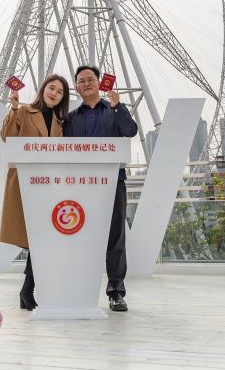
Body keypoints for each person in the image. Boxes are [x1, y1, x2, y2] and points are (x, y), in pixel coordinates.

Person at [62, 64, 137, 312]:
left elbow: (130, 131)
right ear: (76, 87)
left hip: (113, 181)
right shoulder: (71, 118)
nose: (86, 83)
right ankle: (80, 290)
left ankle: (116, 292)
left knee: (115, 237)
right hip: (81, 184)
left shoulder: (114, 109)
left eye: (90, 79)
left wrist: (118, 106)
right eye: (81, 81)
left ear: (99, 82)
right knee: (80, 235)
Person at [0, 73, 70, 311]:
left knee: (42, 237)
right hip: (24, 182)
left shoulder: (60, 122)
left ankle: (27, 290)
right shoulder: (23, 111)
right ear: (43, 89)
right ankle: (27, 290)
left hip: (47, 185)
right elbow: (7, 137)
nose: (54, 94)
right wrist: (13, 108)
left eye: (60, 92)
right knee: (36, 238)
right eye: (52, 88)